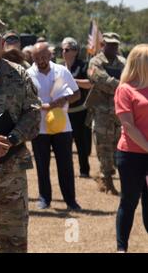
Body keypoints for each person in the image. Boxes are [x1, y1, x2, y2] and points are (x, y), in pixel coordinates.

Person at [0, 16, 41, 253]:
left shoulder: (19, 74)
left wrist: (12, 139)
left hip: (12, 168)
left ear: (3, 43)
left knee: (14, 237)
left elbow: (33, 113)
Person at [28, 42, 82, 210]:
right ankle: (44, 198)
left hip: (62, 126)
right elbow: (25, 100)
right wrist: (40, 106)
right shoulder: (28, 74)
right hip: (40, 126)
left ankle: (70, 200)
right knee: (42, 164)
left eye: (44, 56)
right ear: (32, 58)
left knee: (65, 164)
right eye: (37, 58)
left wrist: (64, 100)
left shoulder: (61, 71)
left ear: (50, 55)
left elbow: (77, 94)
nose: (41, 60)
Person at [114, 44, 148, 253]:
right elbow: (128, 125)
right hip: (131, 155)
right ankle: (122, 248)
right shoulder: (125, 89)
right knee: (129, 202)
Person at [87, 32, 126, 195]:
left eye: (115, 44)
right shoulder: (95, 61)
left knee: (118, 147)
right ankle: (107, 180)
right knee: (103, 147)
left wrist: (122, 85)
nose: (113, 47)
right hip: (101, 112)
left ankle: (116, 178)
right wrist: (123, 86)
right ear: (103, 45)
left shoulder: (123, 62)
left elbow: (130, 77)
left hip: (120, 112)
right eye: (109, 44)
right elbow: (101, 80)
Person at [62, 37, 92, 178]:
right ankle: (67, 171)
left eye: (67, 49)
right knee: (65, 144)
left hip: (79, 111)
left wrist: (72, 81)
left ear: (74, 51)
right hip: (63, 111)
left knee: (81, 143)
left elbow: (90, 83)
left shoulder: (83, 65)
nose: (63, 52)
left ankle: (84, 170)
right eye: (62, 49)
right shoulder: (59, 67)